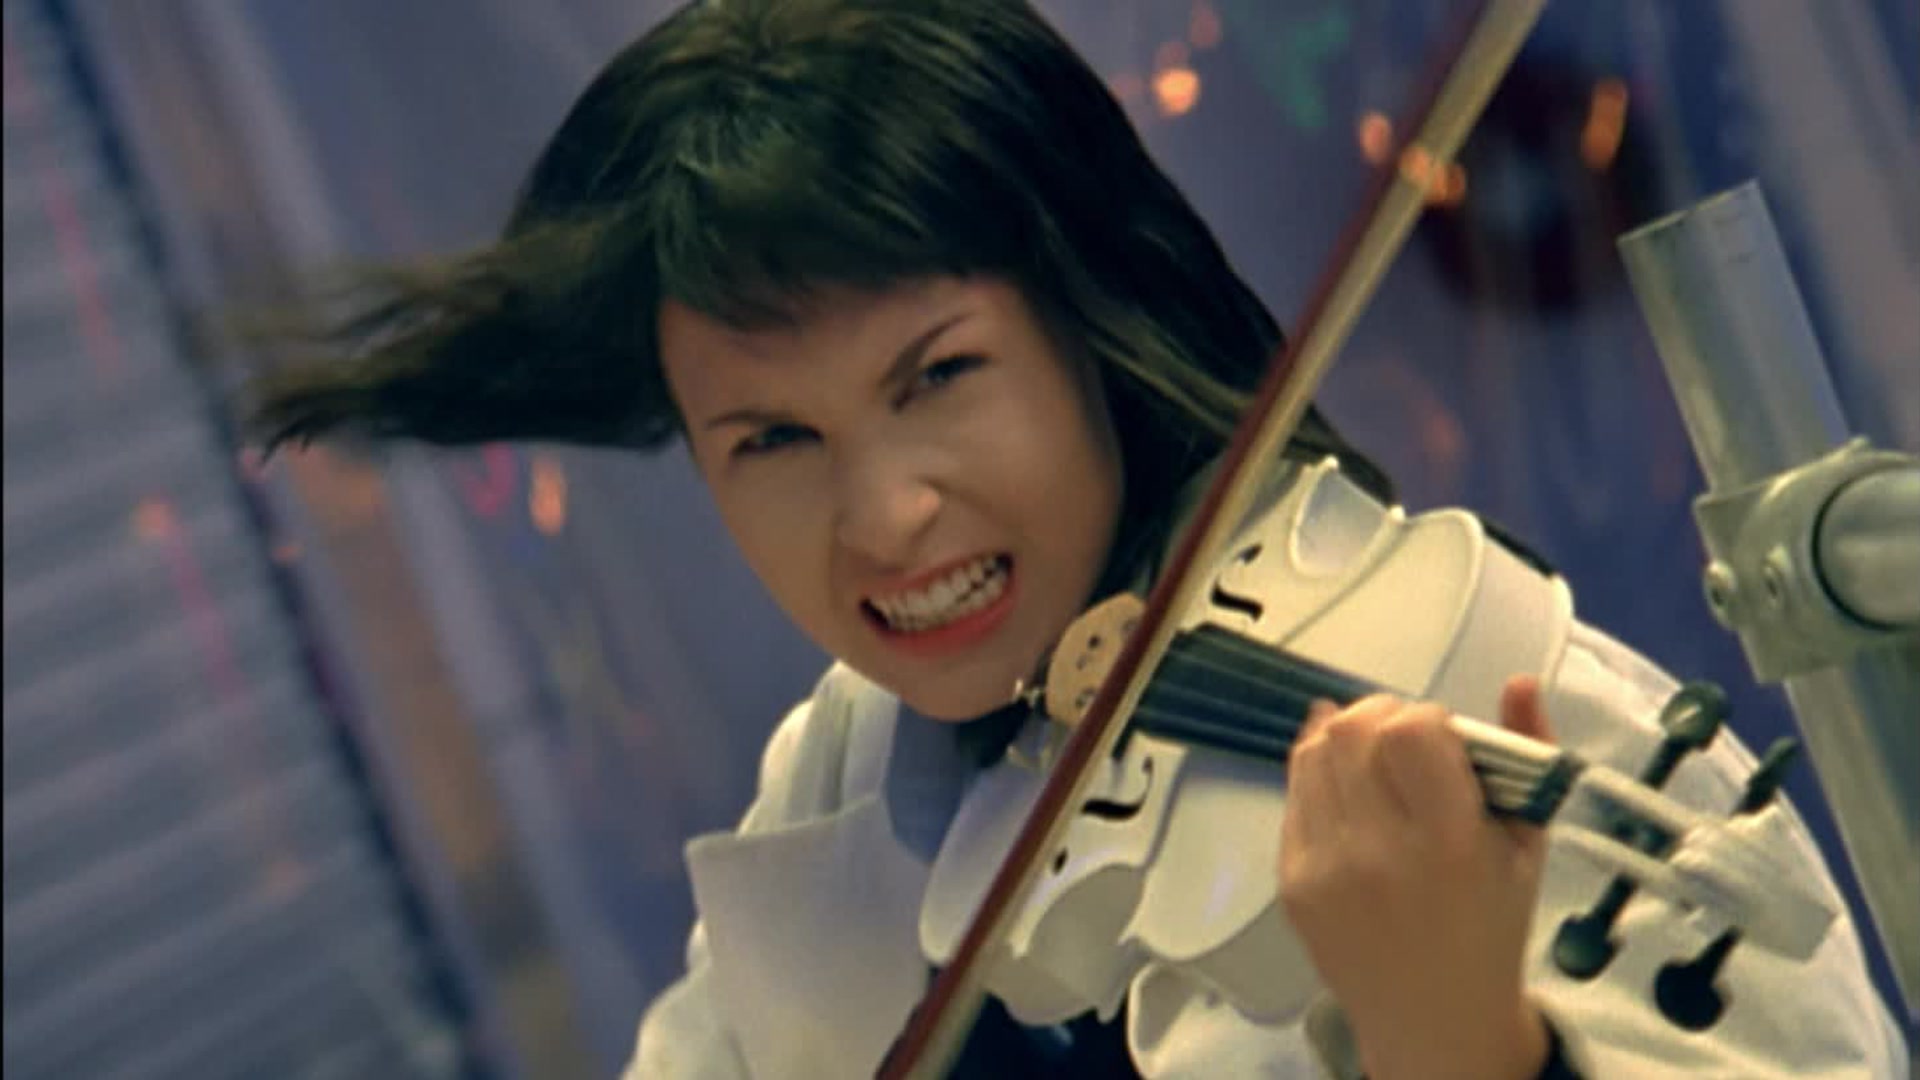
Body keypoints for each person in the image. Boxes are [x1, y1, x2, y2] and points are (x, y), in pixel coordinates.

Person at [246, 2, 1907, 1077]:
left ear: (1089, 324)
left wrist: (1470, 1050)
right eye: (772, 441)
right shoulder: (838, 788)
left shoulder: (1470, 687)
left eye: (939, 377)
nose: (885, 516)